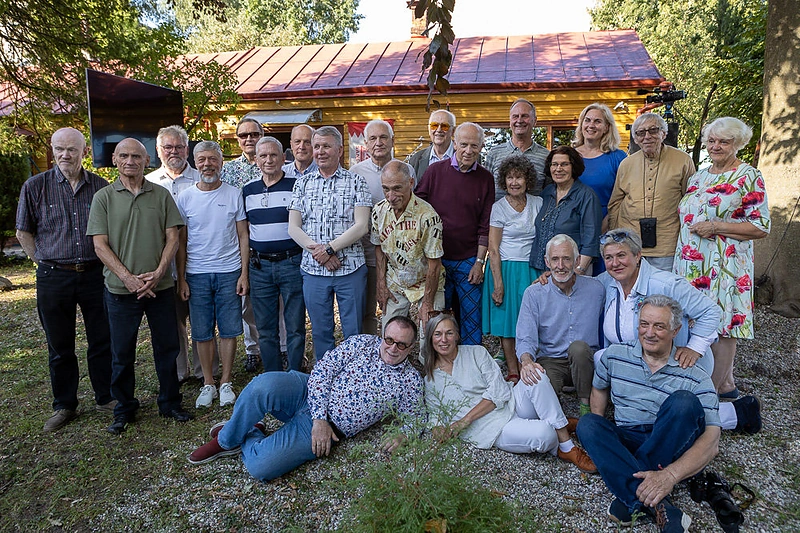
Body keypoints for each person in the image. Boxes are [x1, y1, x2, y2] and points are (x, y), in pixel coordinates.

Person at [187, 316, 423, 481]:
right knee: (261, 386)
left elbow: (417, 417)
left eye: (401, 344)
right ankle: (226, 440)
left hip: (330, 427)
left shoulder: (410, 381)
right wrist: (319, 418)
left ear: (411, 347)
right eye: (389, 340)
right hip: (306, 391)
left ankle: (251, 431)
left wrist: (404, 434)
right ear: (382, 336)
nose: (393, 348)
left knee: (261, 467)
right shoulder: (362, 343)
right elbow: (323, 370)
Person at [577, 295, 721, 531]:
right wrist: (601, 441)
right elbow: (599, 388)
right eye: (644, 324)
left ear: (676, 331)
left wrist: (670, 475)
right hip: (628, 436)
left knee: (684, 401)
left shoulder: (695, 375)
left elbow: (712, 441)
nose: (649, 333)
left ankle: (633, 492)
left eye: (659, 326)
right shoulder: (615, 355)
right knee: (588, 424)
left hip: (670, 441)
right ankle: (660, 506)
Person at [599, 228, 762, 434]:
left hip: (675, 364)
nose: (615, 263)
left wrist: (694, 348)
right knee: (600, 357)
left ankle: (738, 413)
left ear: (638, 255)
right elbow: (581, 286)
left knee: (662, 415)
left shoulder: (666, 284)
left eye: (621, 255)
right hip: (637, 363)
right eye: (609, 258)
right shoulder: (608, 282)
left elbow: (711, 311)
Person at [87, 138, 192, 434]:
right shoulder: (104, 198)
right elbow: (100, 245)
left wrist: (159, 273)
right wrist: (128, 279)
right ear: (115, 160)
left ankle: (170, 402)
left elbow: (173, 238)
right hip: (121, 291)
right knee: (121, 352)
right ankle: (124, 408)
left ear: (147, 161)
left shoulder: (161, 195)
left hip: (160, 287)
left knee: (167, 348)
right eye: (124, 156)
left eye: (136, 156)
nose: (130, 161)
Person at [15, 127, 114, 433]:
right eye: (59, 149)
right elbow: (23, 231)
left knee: (102, 339)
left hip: (94, 274)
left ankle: (105, 397)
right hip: (53, 276)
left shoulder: (100, 187)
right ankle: (64, 405)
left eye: (71, 149)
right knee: (59, 344)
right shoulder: (35, 186)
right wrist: (43, 262)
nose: (64, 155)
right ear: (53, 149)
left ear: (84, 152)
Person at [422, 314, 596, 473]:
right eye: (437, 334)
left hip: (512, 401)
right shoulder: (430, 380)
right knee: (545, 434)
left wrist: (464, 420)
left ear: (457, 335)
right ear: (430, 338)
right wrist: (440, 431)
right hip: (492, 428)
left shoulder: (476, 352)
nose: (443, 339)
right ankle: (560, 424)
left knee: (536, 375)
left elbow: (498, 390)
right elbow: (435, 415)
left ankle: (566, 447)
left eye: (449, 333)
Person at [673, 117, 770, 400]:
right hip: (691, 264)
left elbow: (760, 226)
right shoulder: (699, 176)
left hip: (725, 265)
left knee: (722, 325)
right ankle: (726, 385)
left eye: (724, 142)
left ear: (737, 144)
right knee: (694, 321)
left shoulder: (748, 176)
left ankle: (711, 395)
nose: (715, 146)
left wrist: (716, 226)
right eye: (711, 141)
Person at [288, 126, 371, 360]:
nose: (320, 151)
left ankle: (355, 374)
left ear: (340, 150)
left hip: (350, 269)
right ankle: (325, 375)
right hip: (314, 270)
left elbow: (361, 226)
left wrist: (330, 248)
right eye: (316, 146)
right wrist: (320, 254)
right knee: (321, 331)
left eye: (326, 146)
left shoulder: (356, 182)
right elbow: (293, 227)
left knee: (353, 331)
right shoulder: (302, 184)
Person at [176, 141, 248, 408]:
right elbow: (181, 241)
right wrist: (182, 278)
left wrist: (244, 274)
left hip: (229, 271)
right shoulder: (185, 197)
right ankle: (208, 383)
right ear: (195, 163)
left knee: (229, 330)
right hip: (196, 274)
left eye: (213, 159)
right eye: (202, 159)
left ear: (221, 162)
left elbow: (243, 235)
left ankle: (226, 381)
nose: (208, 164)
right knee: (202, 331)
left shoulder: (234, 194)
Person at [146, 125, 219, 382]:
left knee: (203, 319)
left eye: (178, 147)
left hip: (198, 263)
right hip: (164, 266)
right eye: (168, 147)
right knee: (172, 321)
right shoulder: (149, 183)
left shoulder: (202, 177)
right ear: (158, 150)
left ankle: (205, 371)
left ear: (187, 150)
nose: (173, 152)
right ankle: (179, 371)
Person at [416, 122, 494, 345]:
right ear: (455, 143)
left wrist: (479, 262)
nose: (468, 150)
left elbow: (485, 225)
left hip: (468, 260)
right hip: (436, 259)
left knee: (472, 317)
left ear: (481, 147)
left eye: (474, 145)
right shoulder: (435, 172)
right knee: (438, 316)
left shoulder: (486, 178)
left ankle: (470, 359)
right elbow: (418, 207)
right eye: (464, 144)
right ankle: (439, 359)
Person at [517, 235, 604, 416]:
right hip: (551, 359)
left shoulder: (597, 288)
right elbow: (526, 335)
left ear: (577, 261)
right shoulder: (534, 293)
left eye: (566, 259)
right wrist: (526, 361)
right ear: (547, 262)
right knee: (539, 395)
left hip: (585, 360)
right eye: (555, 259)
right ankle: (556, 421)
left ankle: (586, 407)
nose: (560, 265)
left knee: (578, 348)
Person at [243, 137, 306, 372]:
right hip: (260, 267)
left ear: (283, 158)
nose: (268, 160)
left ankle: (295, 373)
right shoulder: (248, 190)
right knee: (265, 328)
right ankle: (273, 376)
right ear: (256, 160)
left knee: (295, 325)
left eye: (273, 155)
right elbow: (244, 229)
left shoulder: (297, 185)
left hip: (292, 262)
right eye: (263, 156)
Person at [351, 119, 417, 335]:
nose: (378, 143)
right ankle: (371, 348)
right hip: (368, 254)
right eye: (373, 138)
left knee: (399, 311)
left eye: (383, 137)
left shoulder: (406, 170)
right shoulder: (355, 173)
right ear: (365, 143)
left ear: (392, 140)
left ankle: (399, 345)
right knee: (367, 310)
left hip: (401, 256)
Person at [607, 112, 695, 272]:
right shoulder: (626, 164)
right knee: (633, 286)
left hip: (667, 244)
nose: (647, 136)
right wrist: (616, 239)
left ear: (664, 133)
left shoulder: (682, 160)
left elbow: (690, 201)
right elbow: (615, 204)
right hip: (631, 244)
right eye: (641, 133)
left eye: (653, 130)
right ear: (635, 138)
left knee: (663, 286)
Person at [482, 155, 543, 383]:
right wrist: (498, 284)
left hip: (531, 269)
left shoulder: (538, 203)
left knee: (530, 321)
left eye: (519, 177)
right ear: (504, 181)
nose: (514, 182)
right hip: (505, 269)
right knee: (507, 324)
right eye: (510, 178)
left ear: (528, 180)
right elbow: (493, 248)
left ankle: (530, 366)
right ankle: (513, 370)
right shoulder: (498, 208)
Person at [372, 160, 444, 331]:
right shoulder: (379, 211)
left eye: (397, 188)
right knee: (390, 333)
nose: (391, 196)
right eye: (386, 189)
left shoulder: (428, 216)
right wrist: (381, 285)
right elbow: (379, 249)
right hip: (395, 281)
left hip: (426, 283)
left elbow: (434, 263)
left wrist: (427, 303)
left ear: (411, 183)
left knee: (429, 333)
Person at [221, 117, 264, 371]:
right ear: (237, 139)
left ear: (261, 135)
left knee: (274, 301)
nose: (249, 139)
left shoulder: (272, 162)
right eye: (244, 135)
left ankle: (279, 348)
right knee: (246, 301)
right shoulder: (227, 170)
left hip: (267, 241)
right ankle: (252, 350)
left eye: (254, 134)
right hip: (238, 243)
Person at [529, 146, 602, 276]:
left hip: (572, 271)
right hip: (542, 271)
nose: (558, 169)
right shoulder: (546, 193)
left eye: (564, 164)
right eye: (554, 164)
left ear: (573, 167)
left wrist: (578, 271)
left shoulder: (586, 196)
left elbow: (591, 241)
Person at [572, 103, 626, 256]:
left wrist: (605, 224)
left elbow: (625, 196)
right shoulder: (570, 155)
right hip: (573, 226)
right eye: (587, 120)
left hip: (607, 227)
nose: (591, 125)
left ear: (606, 127)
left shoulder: (617, 157)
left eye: (597, 121)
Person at [485, 98, 550, 196]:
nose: (519, 120)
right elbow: (485, 190)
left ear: (535, 121)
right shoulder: (494, 154)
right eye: (515, 116)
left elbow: (550, 193)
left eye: (525, 116)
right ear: (510, 121)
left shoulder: (546, 156)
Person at [408, 109, 456, 180]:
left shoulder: (465, 157)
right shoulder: (416, 160)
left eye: (444, 126)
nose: (439, 130)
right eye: (434, 125)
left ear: (453, 131)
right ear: (429, 129)